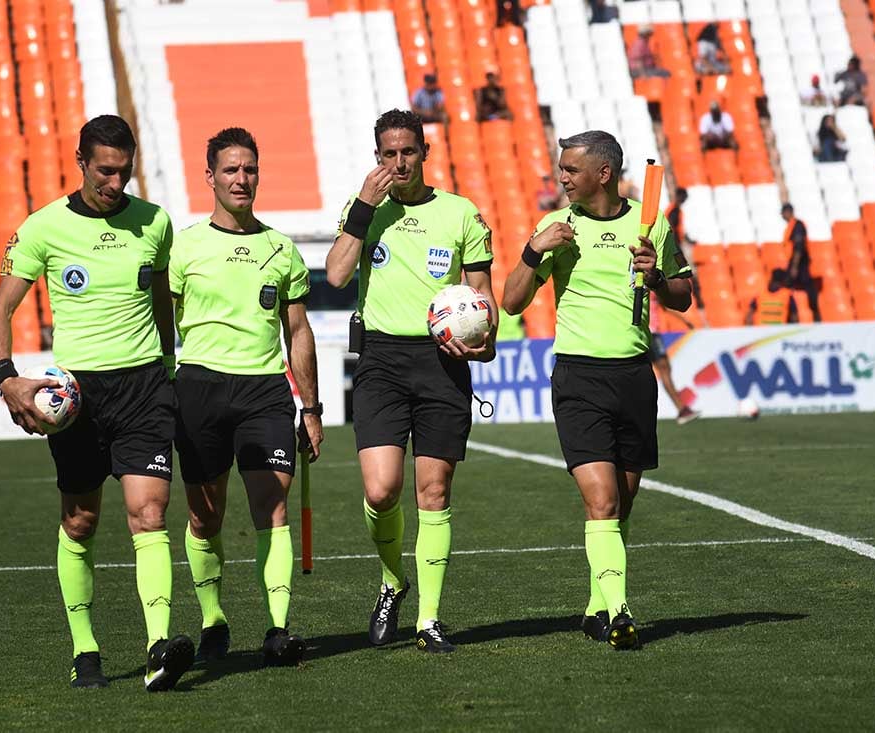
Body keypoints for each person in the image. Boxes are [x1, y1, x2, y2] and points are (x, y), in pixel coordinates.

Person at [0, 115, 194, 691]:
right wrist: (7, 379)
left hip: (145, 388)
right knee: (80, 521)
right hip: (76, 396)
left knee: (149, 514)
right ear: (81, 161)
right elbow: (0, 310)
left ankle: (158, 647)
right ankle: (86, 651)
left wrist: (170, 371)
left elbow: (161, 304)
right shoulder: (43, 228)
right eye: (105, 170)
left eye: (124, 171)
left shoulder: (155, 223)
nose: (115, 182)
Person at [500, 130, 693, 650]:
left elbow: (684, 297)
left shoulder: (649, 224)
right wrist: (531, 250)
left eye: (570, 169)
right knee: (603, 501)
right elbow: (511, 302)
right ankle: (620, 610)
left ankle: (594, 608)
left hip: (633, 378)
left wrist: (656, 278)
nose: (561, 176)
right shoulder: (554, 227)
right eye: (561, 168)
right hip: (579, 378)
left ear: (602, 174)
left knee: (621, 505)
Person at [325, 109, 498, 654]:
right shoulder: (364, 212)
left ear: (425, 153)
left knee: (434, 490)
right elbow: (334, 274)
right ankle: (391, 579)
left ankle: (428, 620)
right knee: (380, 490)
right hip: (380, 360)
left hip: (442, 363)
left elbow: (482, 298)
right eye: (387, 154)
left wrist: (484, 341)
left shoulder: (460, 213)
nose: (398, 163)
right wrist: (362, 208)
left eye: (407, 152)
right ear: (377, 158)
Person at [170, 127, 323, 668]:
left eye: (250, 169)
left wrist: (310, 406)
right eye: (231, 170)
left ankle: (278, 629)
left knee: (273, 507)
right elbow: (160, 325)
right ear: (209, 176)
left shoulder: (281, 249)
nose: (242, 178)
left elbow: (298, 333)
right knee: (204, 518)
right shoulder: (182, 245)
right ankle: (213, 619)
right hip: (200, 387)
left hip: (264, 392)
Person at [649, 300, 700, 425]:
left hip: (650, 331)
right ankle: (681, 409)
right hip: (649, 332)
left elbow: (664, 306)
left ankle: (681, 408)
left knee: (664, 369)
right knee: (664, 369)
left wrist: (684, 320)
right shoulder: (647, 284)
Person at [780, 203, 820, 321]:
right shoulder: (792, 226)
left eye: (783, 213)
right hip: (796, 264)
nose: (782, 216)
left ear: (788, 212)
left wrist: (794, 267)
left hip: (800, 264)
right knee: (788, 289)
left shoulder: (797, 226)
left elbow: (798, 247)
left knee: (805, 289)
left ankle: (816, 317)